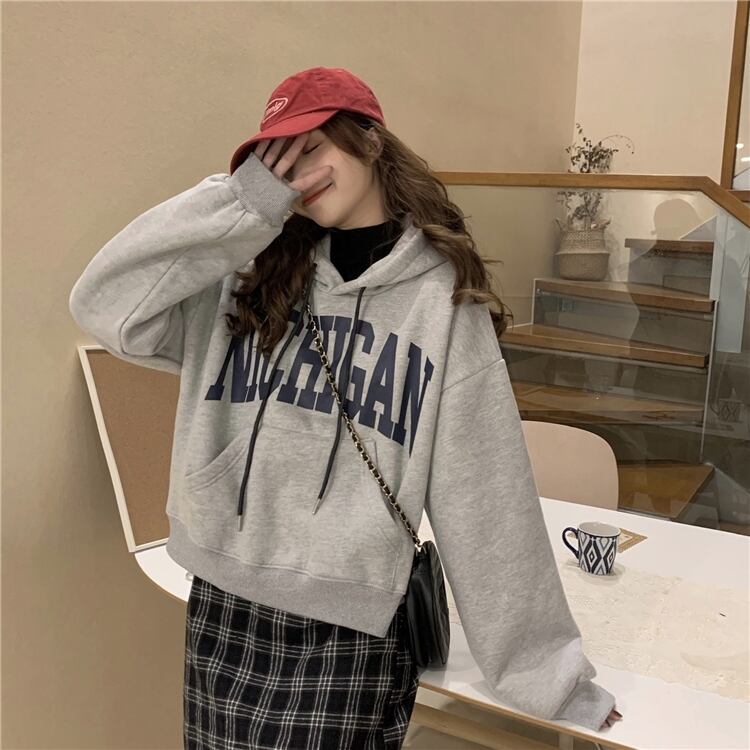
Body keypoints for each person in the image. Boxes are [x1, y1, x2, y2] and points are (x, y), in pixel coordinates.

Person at [69, 66, 622, 748]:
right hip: (224, 599)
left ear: (370, 141)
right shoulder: (246, 278)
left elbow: (486, 492)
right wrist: (246, 204)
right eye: (277, 162)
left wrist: (549, 676)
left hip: (350, 624)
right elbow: (104, 305)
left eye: (312, 147)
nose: (298, 175)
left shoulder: (440, 304)